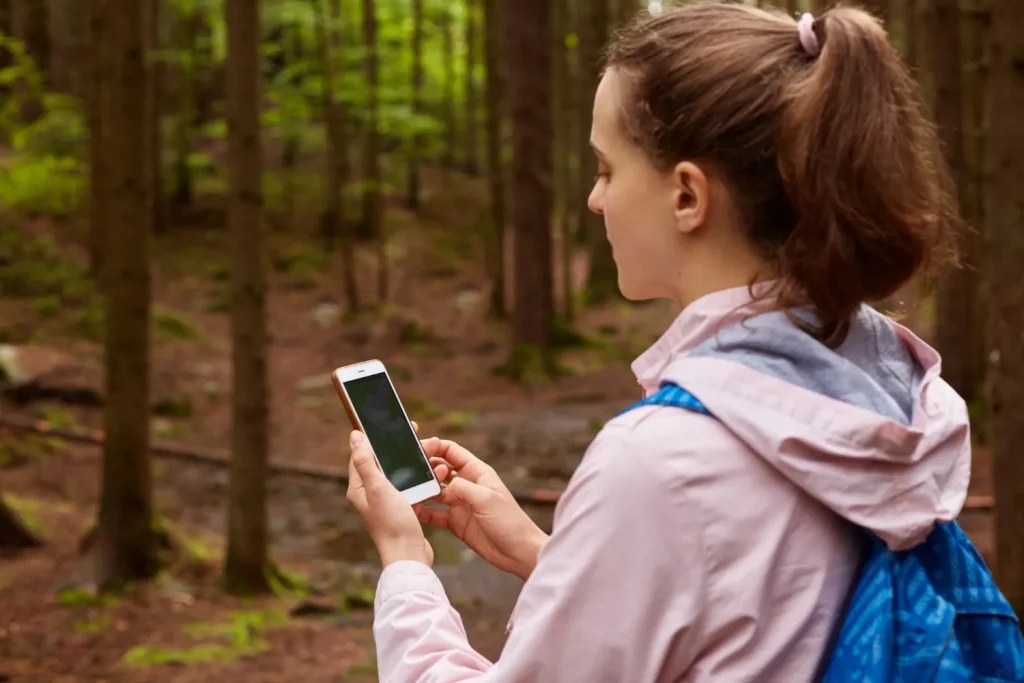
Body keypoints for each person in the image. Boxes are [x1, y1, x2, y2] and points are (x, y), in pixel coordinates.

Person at [344, 3, 972, 681]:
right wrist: (544, 551)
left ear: (687, 197)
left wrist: (405, 563)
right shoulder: (890, 387)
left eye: (608, 169)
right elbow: (751, 618)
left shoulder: (662, 462)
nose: (595, 199)